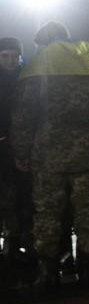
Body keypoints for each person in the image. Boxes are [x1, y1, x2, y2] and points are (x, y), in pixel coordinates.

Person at [11, 22, 89, 289]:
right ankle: (88, 271)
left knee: (48, 216)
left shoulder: (38, 63)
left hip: (48, 157)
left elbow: (24, 116)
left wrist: (21, 152)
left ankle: (48, 274)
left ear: (43, 42)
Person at [0, 37, 32, 275]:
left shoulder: (28, 80)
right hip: (3, 150)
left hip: (25, 151)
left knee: (24, 201)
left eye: (14, 56)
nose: (10, 61)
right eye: (5, 56)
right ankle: (10, 246)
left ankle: (22, 247)